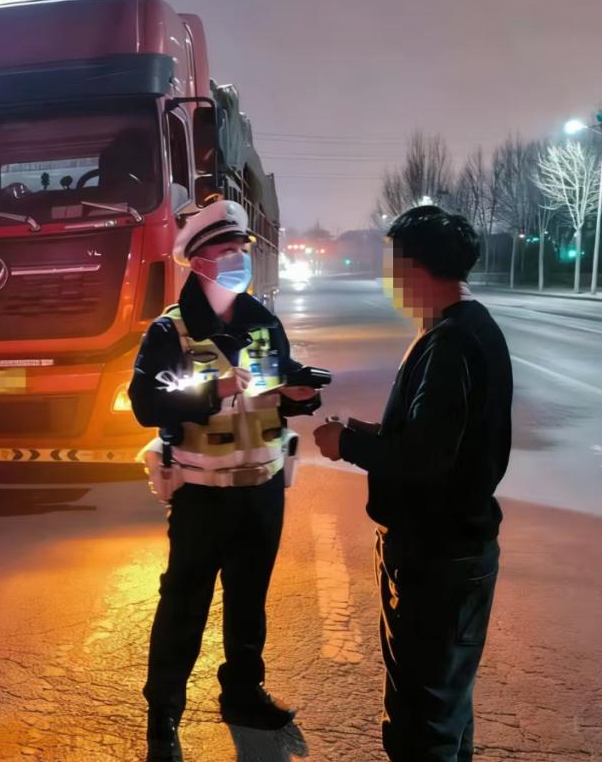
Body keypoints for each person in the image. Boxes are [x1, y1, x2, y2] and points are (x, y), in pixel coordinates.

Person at [313, 205, 512, 762]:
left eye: (393, 266)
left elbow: (426, 456)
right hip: (455, 550)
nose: (390, 279)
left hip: (435, 559)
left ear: (416, 269)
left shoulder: (450, 342)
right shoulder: (472, 327)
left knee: (421, 726)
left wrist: (346, 445)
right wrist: (375, 432)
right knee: (446, 712)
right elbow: (445, 437)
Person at [129, 199, 321, 762]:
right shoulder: (170, 331)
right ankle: (163, 716)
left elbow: (275, 394)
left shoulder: (263, 322)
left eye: (242, 247)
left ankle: (243, 694)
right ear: (198, 260)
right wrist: (213, 392)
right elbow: (145, 403)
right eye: (226, 248)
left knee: (249, 602)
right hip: (202, 494)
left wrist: (299, 397)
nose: (238, 257)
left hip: (262, 487)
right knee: (183, 606)